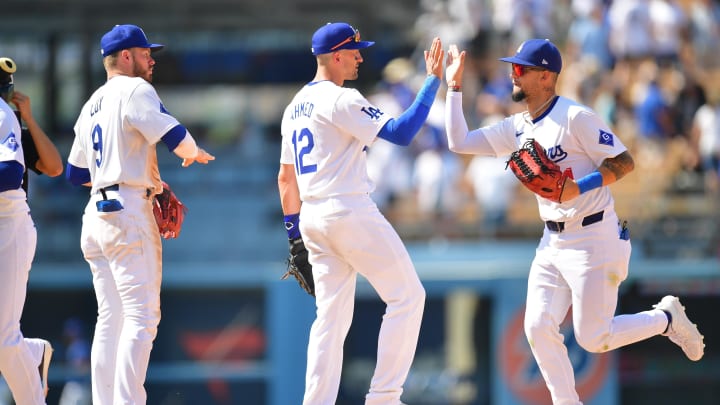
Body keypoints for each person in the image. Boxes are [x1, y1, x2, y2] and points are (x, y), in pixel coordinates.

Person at [443, 38, 705, 404]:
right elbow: (459, 141)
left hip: (594, 236)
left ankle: (664, 318)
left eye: (520, 69)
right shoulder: (517, 127)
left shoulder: (574, 116)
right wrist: (453, 86)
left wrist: (577, 188)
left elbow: (624, 162)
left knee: (593, 339)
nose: (512, 75)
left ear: (547, 77)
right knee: (536, 326)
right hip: (552, 241)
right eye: (512, 67)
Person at [277, 22, 444, 405]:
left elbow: (286, 177)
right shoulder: (341, 99)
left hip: (313, 219)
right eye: (354, 51)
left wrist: (294, 235)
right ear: (335, 55)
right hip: (347, 208)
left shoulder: (293, 107)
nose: (360, 57)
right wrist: (432, 81)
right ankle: (384, 397)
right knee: (408, 296)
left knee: (330, 321)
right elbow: (401, 133)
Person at [65, 24, 215, 404]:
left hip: (96, 215)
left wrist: (137, 181)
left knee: (110, 319)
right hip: (126, 212)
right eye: (146, 53)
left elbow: (76, 175)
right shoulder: (136, 89)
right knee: (141, 318)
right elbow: (178, 139)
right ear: (126, 56)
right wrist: (192, 152)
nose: (152, 59)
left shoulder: (91, 103)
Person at [0, 57, 57, 404]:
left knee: (3, 340)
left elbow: (52, 166)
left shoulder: (7, 119)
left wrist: (30, 121)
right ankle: (33, 353)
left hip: (8, 227)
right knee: (4, 339)